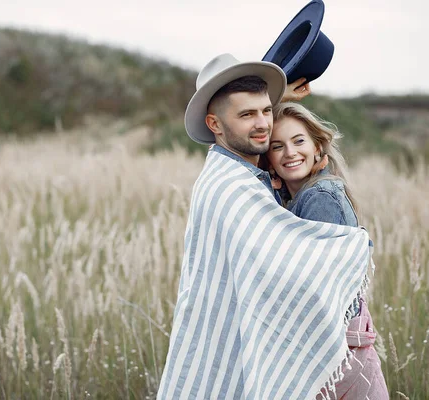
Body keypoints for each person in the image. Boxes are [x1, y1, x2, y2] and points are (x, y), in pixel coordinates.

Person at [157, 53, 374, 400]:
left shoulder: (247, 173)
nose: (262, 124)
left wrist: (279, 98)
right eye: (246, 115)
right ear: (215, 124)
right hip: (279, 344)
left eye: (265, 111)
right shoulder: (228, 185)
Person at [264, 102, 389, 398]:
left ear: (318, 147)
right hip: (335, 354)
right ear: (268, 159)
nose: (290, 153)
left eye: (298, 141)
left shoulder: (321, 198)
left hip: (340, 357)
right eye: (277, 146)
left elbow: (320, 287)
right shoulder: (297, 200)